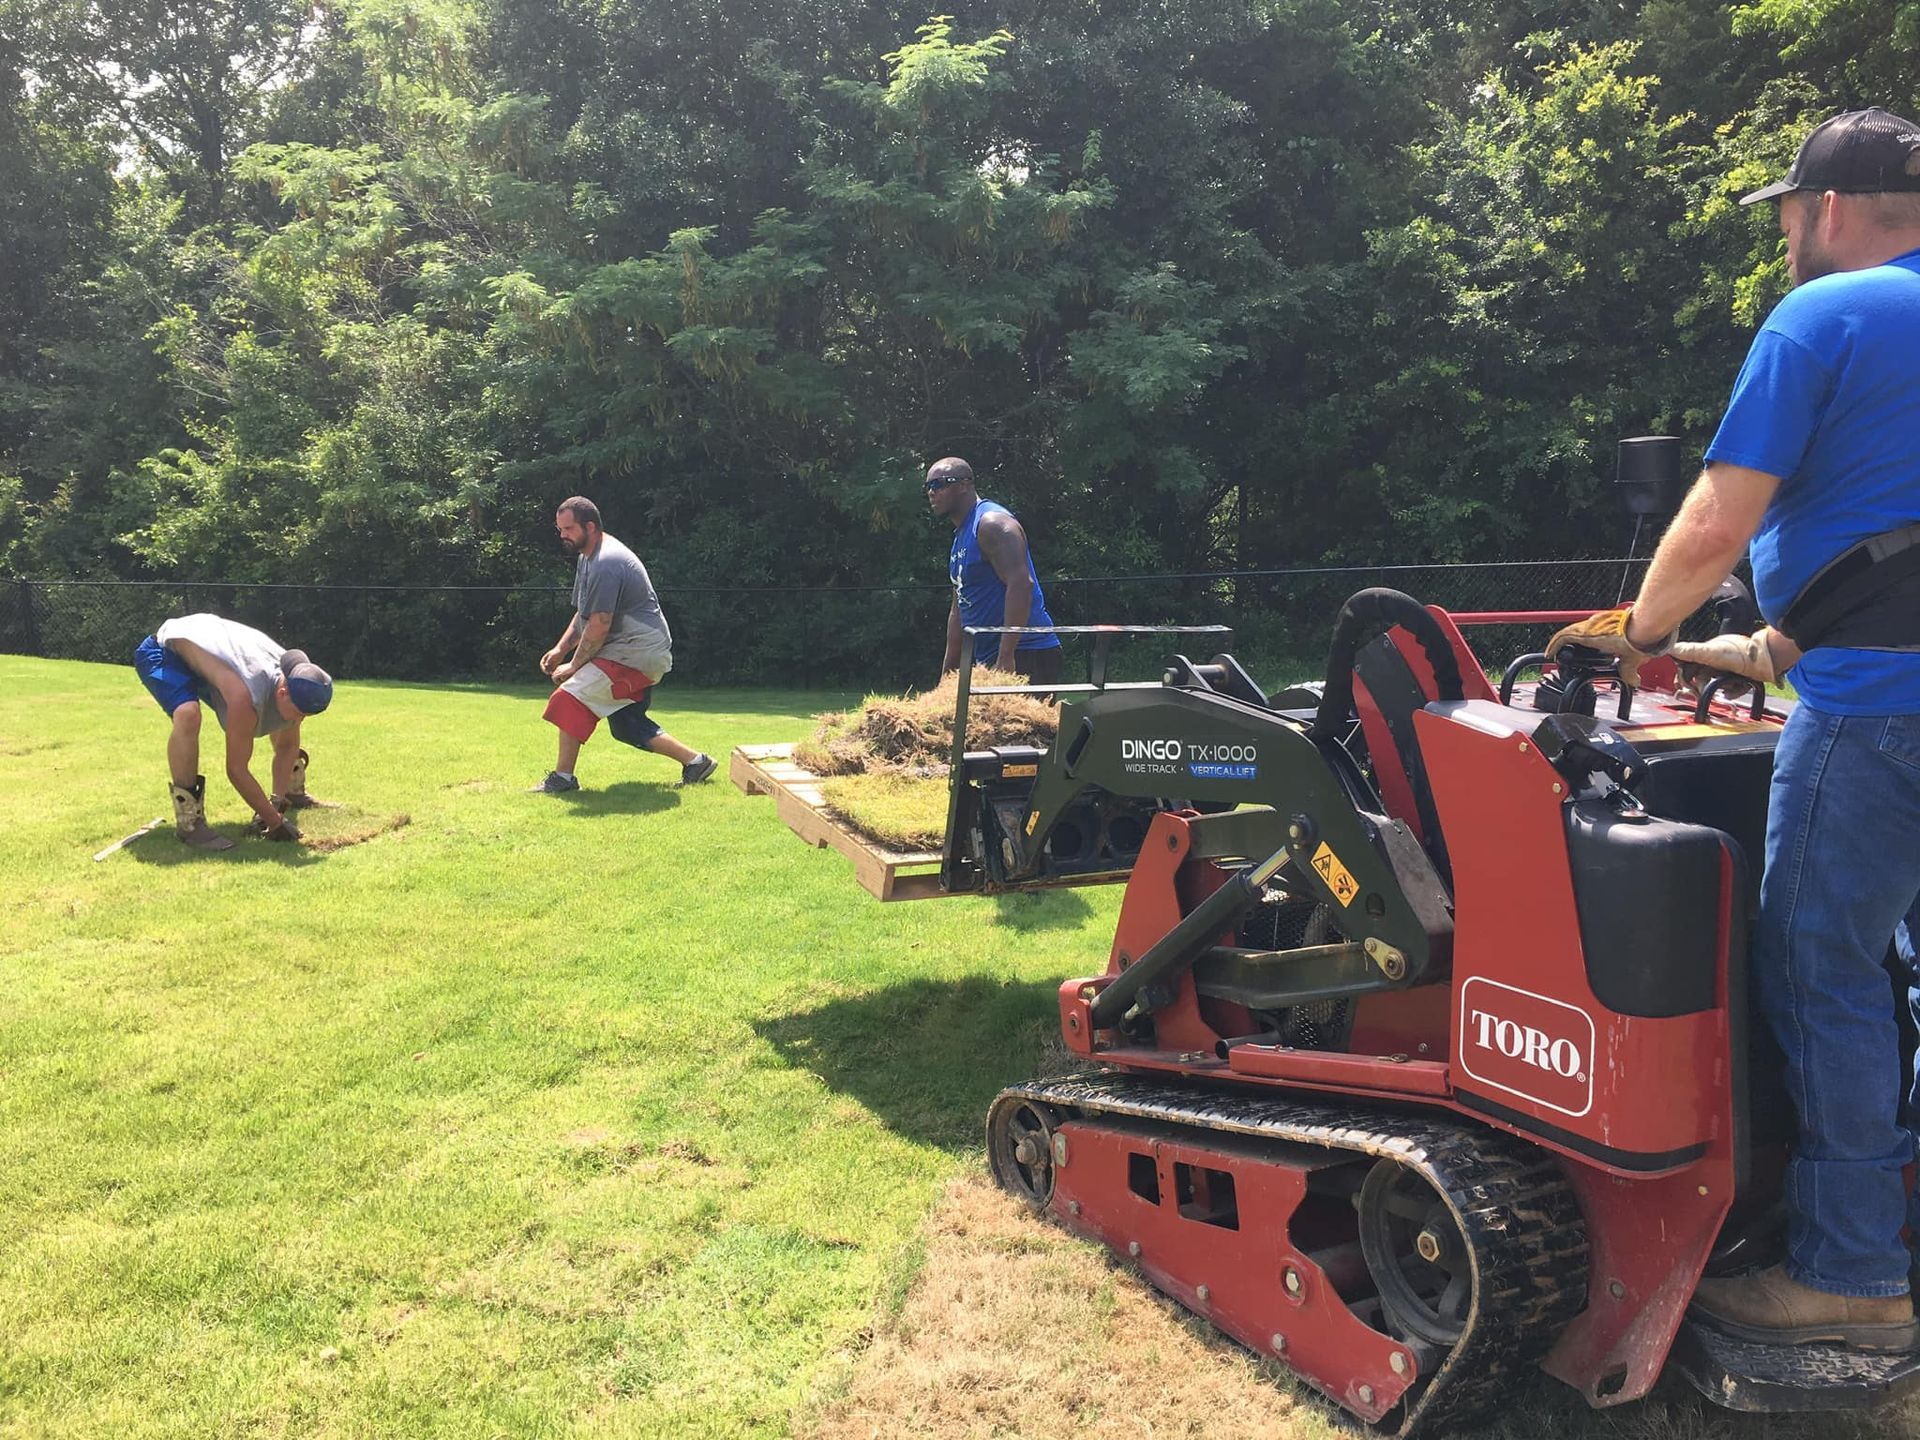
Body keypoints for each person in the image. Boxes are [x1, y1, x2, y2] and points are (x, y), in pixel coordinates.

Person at [1547, 107, 1920, 1352]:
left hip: (1876, 716)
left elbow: (1717, 515)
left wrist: (1646, 632)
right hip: (1867, 661)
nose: (1784, 242)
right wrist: (1757, 647)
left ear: (1822, 211)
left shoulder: (1828, 316)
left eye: (1785, 219)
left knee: (1823, 972)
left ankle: (1853, 1276)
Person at [531, 496, 716, 793]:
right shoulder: (587, 559)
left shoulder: (607, 562)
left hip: (636, 654)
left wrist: (574, 665)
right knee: (626, 726)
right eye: (560, 529)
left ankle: (562, 779)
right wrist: (560, 649)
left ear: (590, 526)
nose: (562, 535)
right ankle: (697, 762)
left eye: (568, 528)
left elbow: (600, 624)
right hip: (633, 652)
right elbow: (584, 614)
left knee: (568, 697)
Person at [133, 614, 333, 850]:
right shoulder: (244, 695)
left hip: (211, 660)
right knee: (188, 714)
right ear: (282, 692)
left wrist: (276, 805)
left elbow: (288, 745)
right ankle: (189, 823)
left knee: (285, 720)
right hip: (166, 650)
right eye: (300, 712)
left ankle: (292, 792)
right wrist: (273, 821)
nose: (300, 719)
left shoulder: (295, 676)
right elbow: (236, 769)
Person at [926, 457, 1062, 683]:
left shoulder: (991, 524)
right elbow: (958, 610)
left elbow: (1021, 584)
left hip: (1026, 652)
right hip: (990, 658)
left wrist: (1007, 656)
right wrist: (947, 677)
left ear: (965, 484)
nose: (932, 492)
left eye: (939, 484)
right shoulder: (961, 537)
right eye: (928, 487)